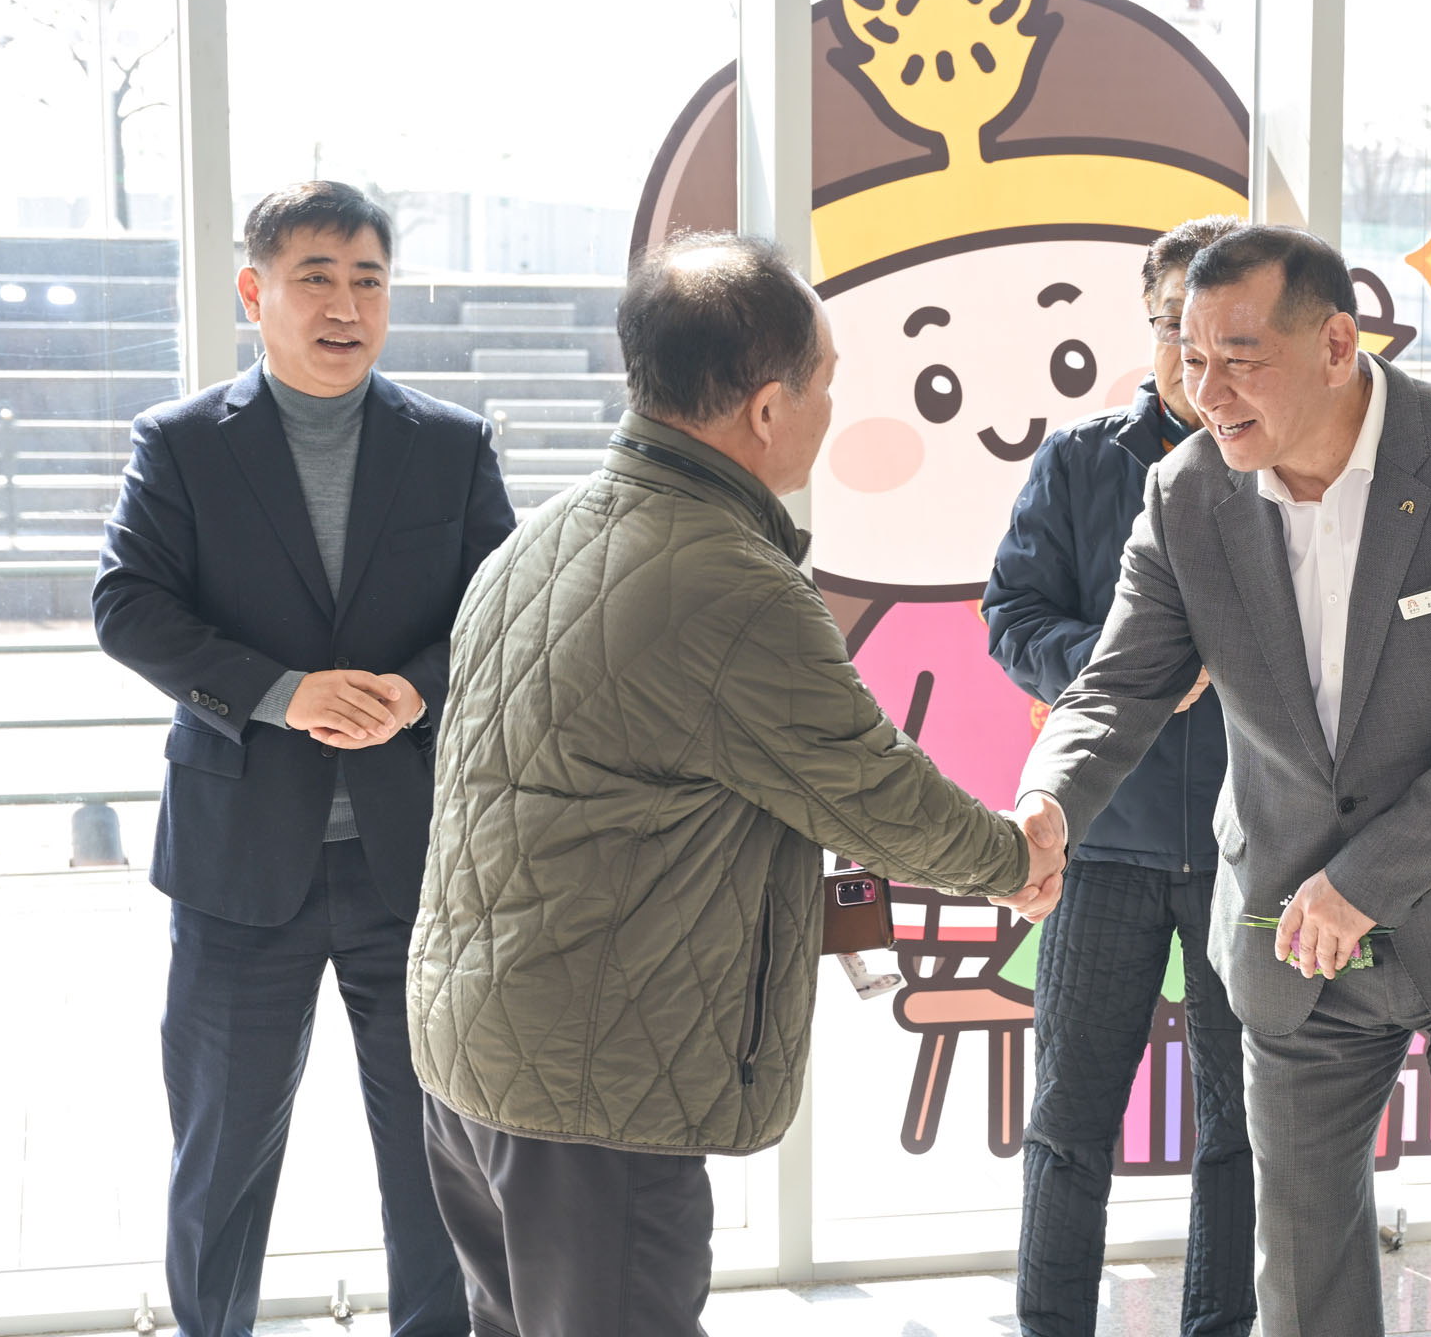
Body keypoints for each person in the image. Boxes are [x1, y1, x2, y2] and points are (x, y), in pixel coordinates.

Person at [407, 231, 1065, 1337]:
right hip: (593, 1085)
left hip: (477, 1047)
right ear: (767, 409)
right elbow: (874, 789)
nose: (832, 412)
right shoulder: (729, 583)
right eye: (826, 385)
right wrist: (1014, 859)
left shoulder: (542, 538)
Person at [1014, 225, 1431, 1337]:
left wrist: (1365, 881)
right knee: (1298, 1278)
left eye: (1240, 358)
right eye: (1191, 356)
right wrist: (1048, 802)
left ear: (1337, 344)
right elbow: (1117, 686)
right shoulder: (1185, 494)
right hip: (1293, 934)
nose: (1207, 391)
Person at [93, 181, 514, 1337]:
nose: (345, 306)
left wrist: (414, 689)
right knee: (220, 1157)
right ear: (254, 290)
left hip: (413, 868)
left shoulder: (451, 443)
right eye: (315, 278)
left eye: (368, 280)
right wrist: (282, 694)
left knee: (440, 1157)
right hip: (239, 870)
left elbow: (503, 611)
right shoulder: (182, 444)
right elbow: (127, 607)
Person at [984, 214, 1254, 1337]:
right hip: (1101, 840)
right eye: (1170, 325)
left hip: (1255, 849)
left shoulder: (1292, 468)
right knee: (1068, 1119)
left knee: (1243, 1127)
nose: (1191, 355)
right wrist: (1120, 662)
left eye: (1218, 331)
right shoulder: (1083, 461)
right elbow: (1011, 616)